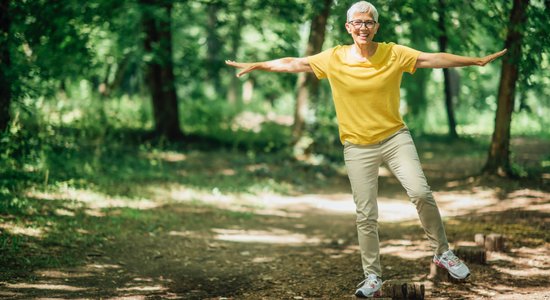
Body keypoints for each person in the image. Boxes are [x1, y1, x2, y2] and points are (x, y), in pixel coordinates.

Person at [226, 1, 506, 298]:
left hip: (395, 138)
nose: (363, 27)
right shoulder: (333, 58)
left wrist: (474, 61)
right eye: (357, 22)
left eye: (369, 22)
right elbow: (294, 62)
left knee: (421, 193)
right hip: (357, 146)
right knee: (366, 214)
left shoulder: (393, 53)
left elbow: (432, 58)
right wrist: (257, 65)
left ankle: (442, 252)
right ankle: (372, 275)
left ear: (376, 27)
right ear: (348, 27)